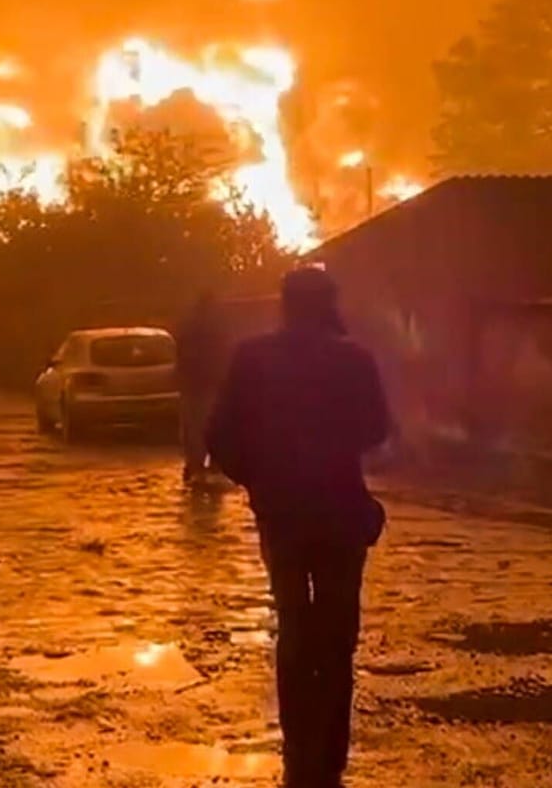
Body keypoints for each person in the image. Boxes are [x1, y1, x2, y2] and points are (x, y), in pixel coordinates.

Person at [207, 267, 391, 788]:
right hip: (339, 510)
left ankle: (298, 749)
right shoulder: (353, 359)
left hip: (282, 513)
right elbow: (378, 428)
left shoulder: (252, 358)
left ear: (284, 305)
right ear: (328, 303)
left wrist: (258, 481)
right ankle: (329, 757)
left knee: (293, 625)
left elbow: (218, 434)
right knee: (336, 635)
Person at [174, 291, 229, 484]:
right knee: (209, 426)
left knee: (195, 428)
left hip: (196, 385)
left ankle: (197, 467)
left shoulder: (190, 328)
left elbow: (180, 356)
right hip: (207, 384)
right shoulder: (216, 328)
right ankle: (209, 467)